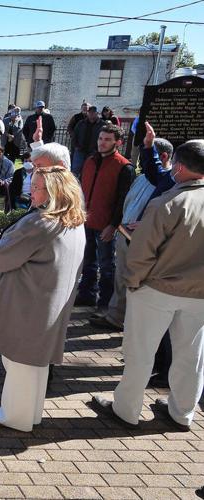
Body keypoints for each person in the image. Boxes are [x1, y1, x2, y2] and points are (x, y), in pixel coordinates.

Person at [91, 139, 204, 432]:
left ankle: (126, 409)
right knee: (191, 355)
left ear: (178, 168)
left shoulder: (167, 202)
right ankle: (183, 412)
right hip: (199, 294)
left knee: (140, 351)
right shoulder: (171, 202)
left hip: (157, 288)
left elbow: (141, 254)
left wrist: (133, 283)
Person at [0, 166, 87, 432]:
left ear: (54, 192)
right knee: (36, 363)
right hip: (50, 301)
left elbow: (1, 258)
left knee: (18, 362)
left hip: (28, 302)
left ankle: (13, 417)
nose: (31, 192)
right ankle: (31, 414)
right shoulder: (74, 221)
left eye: (37, 187)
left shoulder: (40, 222)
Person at [89, 124, 174, 384]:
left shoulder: (168, 184)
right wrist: (147, 147)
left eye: (107, 139)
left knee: (135, 290)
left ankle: (151, 363)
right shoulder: (148, 176)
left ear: (166, 159)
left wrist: (115, 224)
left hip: (148, 249)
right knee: (122, 280)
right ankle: (116, 316)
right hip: (127, 236)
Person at [75, 124, 134, 311]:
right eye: (101, 138)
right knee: (87, 261)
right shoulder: (90, 160)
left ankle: (106, 302)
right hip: (85, 221)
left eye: (107, 139)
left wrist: (113, 225)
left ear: (118, 142)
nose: (102, 142)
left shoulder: (124, 167)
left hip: (105, 224)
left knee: (107, 266)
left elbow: (123, 200)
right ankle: (87, 294)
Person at [72, 105, 103, 177]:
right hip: (80, 150)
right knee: (75, 171)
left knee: (88, 171)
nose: (91, 114)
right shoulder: (81, 123)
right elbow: (74, 135)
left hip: (93, 152)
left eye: (93, 112)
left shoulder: (102, 125)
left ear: (97, 113)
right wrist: (76, 146)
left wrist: (98, 150)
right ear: (88, 113)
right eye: (90, 112)